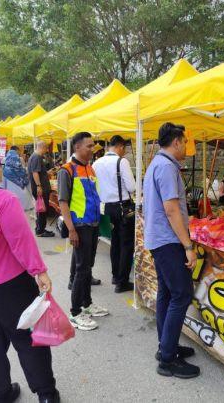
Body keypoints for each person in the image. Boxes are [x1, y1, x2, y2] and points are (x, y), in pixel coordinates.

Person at [0, 149, 59, 403]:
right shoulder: (2, 199)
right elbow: (20, 240)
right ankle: (47, 394)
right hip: (10, 285)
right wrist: (39, 271)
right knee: (27, 339)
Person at [143, 122, 199, 379]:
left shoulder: (158, 164)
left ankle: (167, 346)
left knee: (167, 293)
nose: (187, 146)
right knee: (181, 294)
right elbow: (171, 209)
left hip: (160, 239)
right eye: (185, 141)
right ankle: (167, 360)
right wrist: (188, 245)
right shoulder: (166, 167)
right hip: (168, 241)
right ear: (176, 142)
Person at [58, 131, 107, 331]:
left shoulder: (90, 168)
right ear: (77, 147)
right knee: (81, 269)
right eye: (89, 145)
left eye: (93, 145)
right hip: (79, 226)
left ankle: (87, 303)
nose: (92, 148)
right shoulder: (66, 170)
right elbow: (63, 202)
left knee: (88, 267)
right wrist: (71, 230)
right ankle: (75, 312)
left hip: (93, 225)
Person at [92, 135, 136, 293]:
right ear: (120, 147)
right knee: (126, 244)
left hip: (106, 208)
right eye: (124, 149)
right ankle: (122, 281)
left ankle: (115, 275)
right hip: (123, 208)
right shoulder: (121, 161)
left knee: (114, 242)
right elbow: (131, 187)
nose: (124, 153)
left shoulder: (96, 163)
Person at [0, 149, 36, 227]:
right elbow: (29, 187)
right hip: (25, 201)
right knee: (25, 224)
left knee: (13, 225)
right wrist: (33, 198)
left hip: (11, 201)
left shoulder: (4, 172)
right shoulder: (23, 171)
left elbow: (2, 188)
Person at [28, 141, 54, 238]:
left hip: (40, 187)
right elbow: (35, 173)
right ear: (42, 147)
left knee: (41, 209)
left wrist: (47, 173)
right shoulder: (37, 157)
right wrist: (39, 186)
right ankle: (40, 231)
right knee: (42, 209)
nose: (47, 150)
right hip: (40, 188)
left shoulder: (35, 157)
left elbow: (38, 173)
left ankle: (40, 228)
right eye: (46, 148)